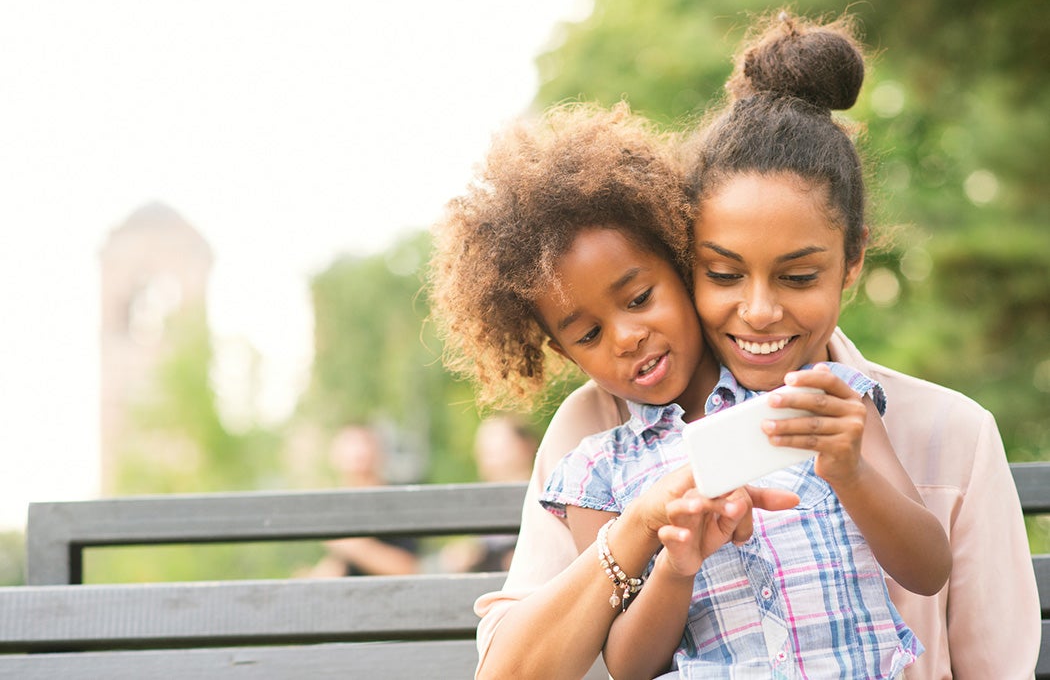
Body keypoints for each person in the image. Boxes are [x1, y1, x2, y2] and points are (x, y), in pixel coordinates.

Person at [471, 11, 1041, 680]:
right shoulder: (595, 447)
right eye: (723, 272)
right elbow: (572, 667)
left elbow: (971, 629)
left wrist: (851, 469)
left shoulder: (893, 420)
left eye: (798, 275)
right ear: (689, 259)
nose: (761, 311)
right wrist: (651, 536)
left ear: (852, 260)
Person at [429, 88, 947, 676]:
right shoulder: (597, 470)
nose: (626, 338)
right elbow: (629, 667)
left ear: (683, 265)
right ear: (562, 351)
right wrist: (674, 564)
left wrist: (851, 472)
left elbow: (928, 570)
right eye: (589, 335)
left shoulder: (822, 395)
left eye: (641, 298)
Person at [304, 424, 420, 577]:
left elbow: (410, 569)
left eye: (364, 443)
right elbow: (341, 566)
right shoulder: (336, 508)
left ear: (379, 453)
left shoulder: (396, 501)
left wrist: (349, 545)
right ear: (334, 456)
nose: (358, 451)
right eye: (351, 444)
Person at [443, 415, 540, 573]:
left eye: (497, 448)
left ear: (526, 446)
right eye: (483, 449)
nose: (488, 457)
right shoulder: (479, 500)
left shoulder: (541, 492)